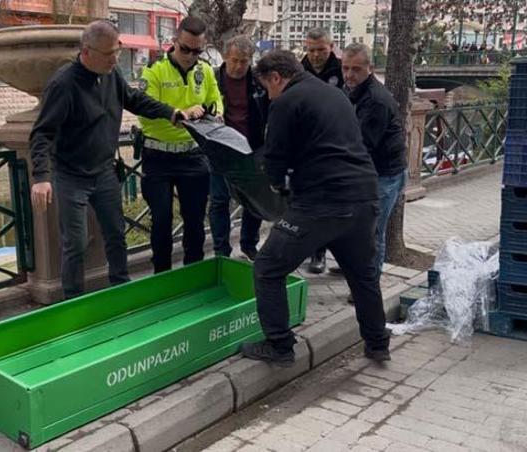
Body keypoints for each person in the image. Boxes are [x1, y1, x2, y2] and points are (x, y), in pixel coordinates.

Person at [29, 20, 201, 299]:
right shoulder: (63, 84)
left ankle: (121, 289)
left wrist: (171, 112)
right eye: (109, 54)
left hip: (104, 171)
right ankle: (73, 301)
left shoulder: (110, 73)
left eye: (117, 52)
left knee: (116, 234)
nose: (115, 59)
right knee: (76, 242)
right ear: (87, 52)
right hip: (71, 175)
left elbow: (134, 99)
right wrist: (41, 177)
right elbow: (41, 133)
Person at [240, 50, 391, 366]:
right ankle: (377, 344)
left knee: (268, 266)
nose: (268, 94)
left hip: (322, 202)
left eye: (267, 87)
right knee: (363, 276)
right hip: (363, 196)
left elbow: (275, 160)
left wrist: (277, 187)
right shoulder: (335, 94)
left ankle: (280, 346)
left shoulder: (285, 102)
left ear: (277, 77)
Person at [137, 16, 223, 273]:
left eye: (197, 51)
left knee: (195, 222)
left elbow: (216, 102)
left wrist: (208, 111)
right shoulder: (154, 69)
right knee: (162, 221)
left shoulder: (205, 70)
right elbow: (144, 110)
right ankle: (161, 276)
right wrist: (178, 113)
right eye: (185, 49)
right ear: (174, 42)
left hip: (193, 157)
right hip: (158, 157)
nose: (190, 55)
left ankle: (192, 274)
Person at [342, 44, 407, 276]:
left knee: (372, 232)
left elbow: (362, 144)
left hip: (384, 174)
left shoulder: (376, 100)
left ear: (369, 68)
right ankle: (356, 268)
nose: (349, 75)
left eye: (356, 69)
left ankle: (370, 279)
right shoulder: (350, 90)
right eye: (346, 68)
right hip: (366, 171)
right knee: (355, 228)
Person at [209, 35, 268, 261]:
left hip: (251, 148)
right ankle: (221, 249)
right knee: (219, 200)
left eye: (244, 61)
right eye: (235, 60)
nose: (239, 66)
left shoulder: (257, 81)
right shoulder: (212, 78)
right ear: (225, 57)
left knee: (253, 201)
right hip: (220, 150)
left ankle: (249, 244)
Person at [300, 28, 344, 274]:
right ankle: (309, 249)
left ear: (331, 46)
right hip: (305, 147)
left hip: (333, 146)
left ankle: (323, 253)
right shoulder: (299, 69)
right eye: (311, 49)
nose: (316, 55)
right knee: (307, 202)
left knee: (330, 203)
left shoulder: (341, 70)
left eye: (321, 50)